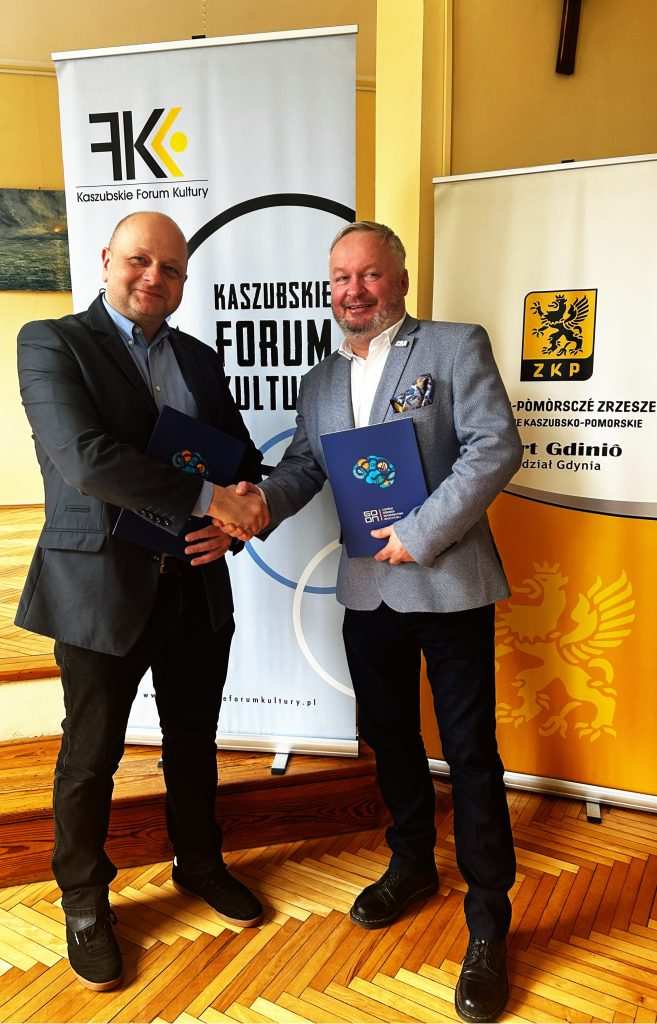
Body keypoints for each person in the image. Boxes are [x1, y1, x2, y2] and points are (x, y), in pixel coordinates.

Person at [229, 221, 523, 1023]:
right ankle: (412, 864)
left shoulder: (454, 346)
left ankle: (488, 922)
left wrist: (420, 532)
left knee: (470, 753)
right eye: (339, 278)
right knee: (389, 739)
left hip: (447, 583)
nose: (351, 291)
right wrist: (257, 505)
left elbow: (493, 447)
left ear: (398, 278)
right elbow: (305, 466)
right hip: (366, 591)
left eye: (367, 275)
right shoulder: (320, 379)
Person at [15, 211, 269, 992]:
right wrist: (210, 498)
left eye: (171, 268)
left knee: (194, 738)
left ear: (184, 280)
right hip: (99, 585)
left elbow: (240, 459)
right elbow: (87, 461)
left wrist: (233, 524)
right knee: (91, 753)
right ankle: (85, 899)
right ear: (106, 260)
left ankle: (198, 860)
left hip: (193, 581)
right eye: (138, 260)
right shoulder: (51, 343)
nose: (153, 277)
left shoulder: (197, 358)